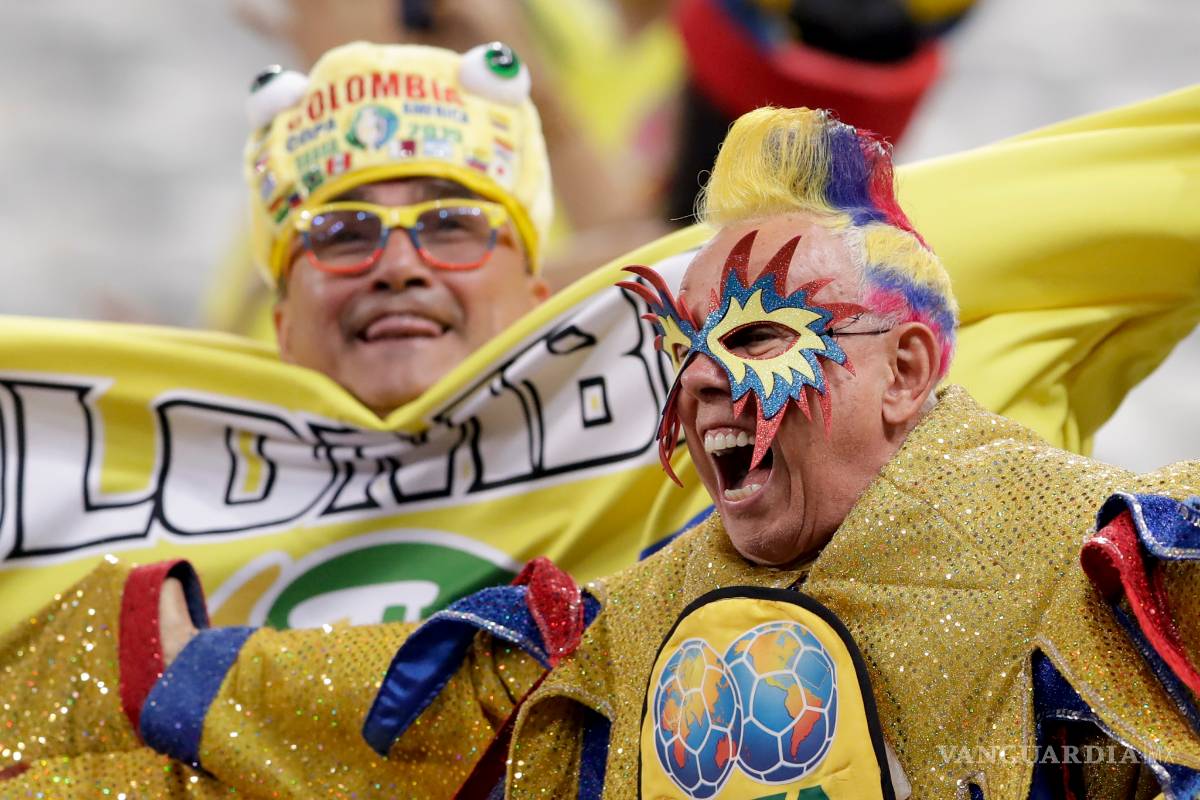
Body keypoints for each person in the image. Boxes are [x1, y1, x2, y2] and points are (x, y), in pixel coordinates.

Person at [6, 104, 1199, 799]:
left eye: (762, 333)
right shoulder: (619, 628)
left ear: (906, 372)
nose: (706, 379)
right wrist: (133, 656)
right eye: (684, 346)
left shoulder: (1099, 550)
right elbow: (371, 722)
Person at [248, 40, 552, 416]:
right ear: (285, 329)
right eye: (344, 235)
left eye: (449, 224)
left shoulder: (644, 469)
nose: (399, 267)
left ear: (537, 308)